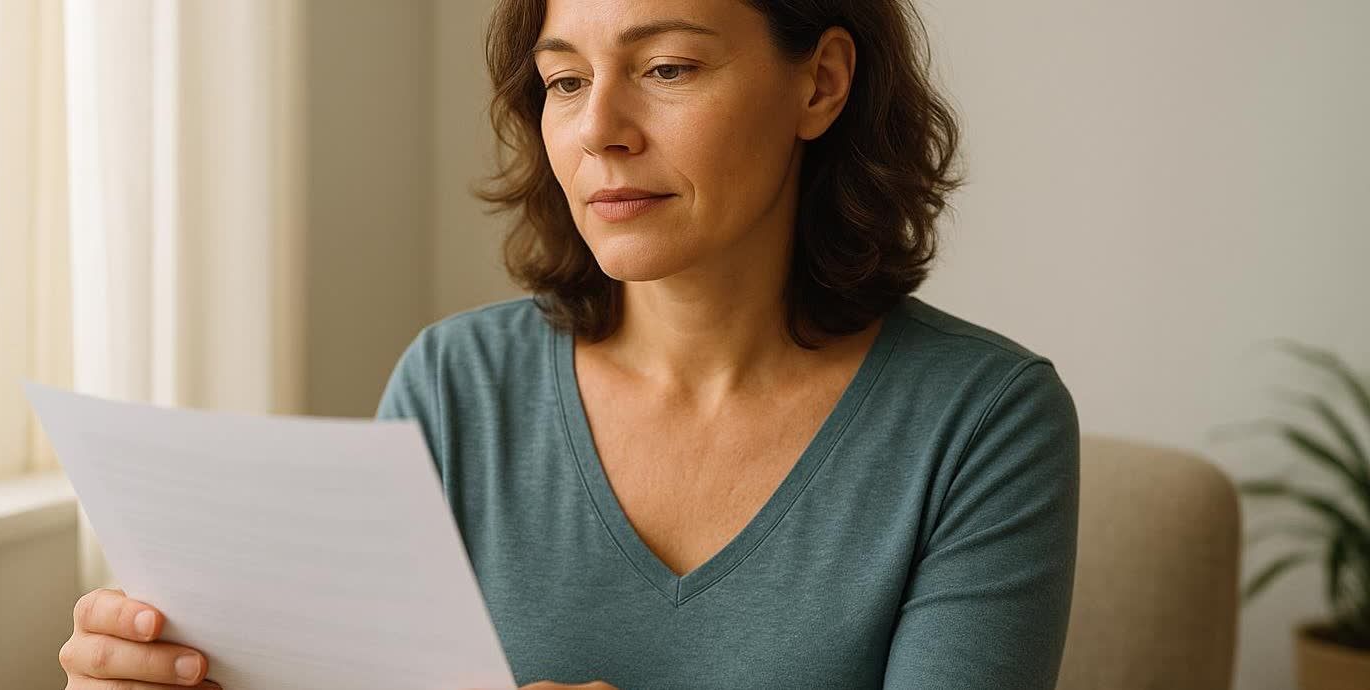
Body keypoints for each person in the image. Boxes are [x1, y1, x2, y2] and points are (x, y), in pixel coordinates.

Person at [57, 0, 1080, 688]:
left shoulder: (983, 420)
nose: (600, 132)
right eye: (563, 82)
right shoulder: (457, 385)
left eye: (667, 67)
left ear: (820, 84)